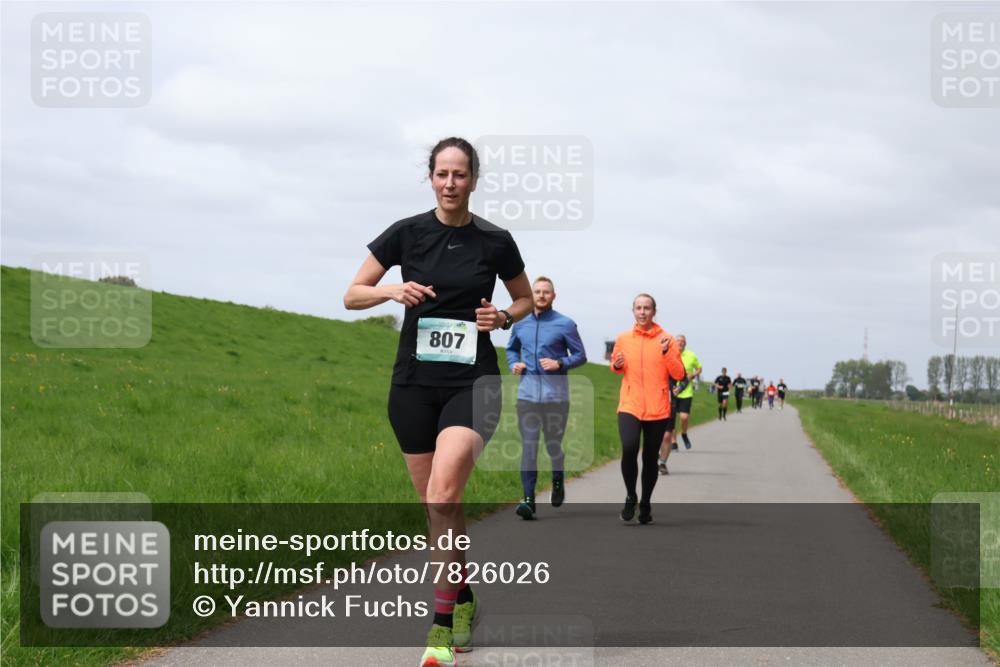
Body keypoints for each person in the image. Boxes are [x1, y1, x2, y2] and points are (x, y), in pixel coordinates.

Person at [344, 137, 532, 666]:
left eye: (460, 174)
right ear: (430, 177)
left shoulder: (495, 241)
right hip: (413, 387)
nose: (451, 183)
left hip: (473, 383)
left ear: (474, 180)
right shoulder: (406, 233)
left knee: (445, 493)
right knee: (437, 507)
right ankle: (463, 594)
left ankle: (441, 628)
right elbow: (352, 295)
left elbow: (522, 297)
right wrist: (391, 291)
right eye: (442, 174)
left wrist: (505, 317)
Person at [507, 276, 587, 520]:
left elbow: (581, 355)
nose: (541, 295)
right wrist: (514, 364)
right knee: (529, 447)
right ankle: (528, 500)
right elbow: (511, 349)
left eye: (546, 292)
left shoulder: (565, 324)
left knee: (553, 445)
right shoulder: (520, 323)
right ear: (532, 295)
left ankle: (557, 477)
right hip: (527, 396)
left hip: (556, 398)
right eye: (537, 291)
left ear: (553, 296)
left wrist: (559, 363)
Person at [610, 294, 687, 524]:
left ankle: (645, 503)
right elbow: (616, 365)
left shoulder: (667, 339)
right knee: (629, 447)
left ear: (654, 311)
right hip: (630, 403)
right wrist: (617, 365)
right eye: (638, 308)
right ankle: (631, 496)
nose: (642, 312)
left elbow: (679, 373)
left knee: (650, 457)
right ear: (633, 311)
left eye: (646, 308)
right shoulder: (623, 338)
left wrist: (666, 352)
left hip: (658, 406)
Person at [658, 334, 701, 474]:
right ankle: (658, 452)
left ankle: (662, 463)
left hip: (673, 397)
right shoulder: (655, 357)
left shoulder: (676, 359)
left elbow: (684, 377)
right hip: (653, 399)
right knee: (655, 434)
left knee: (668, 433)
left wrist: (680, 387)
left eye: (682, 341)